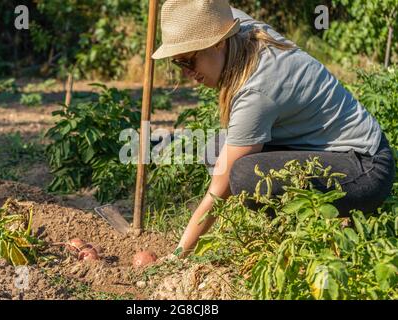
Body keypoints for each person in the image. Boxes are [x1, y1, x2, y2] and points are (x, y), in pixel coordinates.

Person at [151, 0, 396, 258]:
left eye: (190, 60)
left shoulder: (256, 89)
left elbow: (219, 190)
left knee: (243, 176)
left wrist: (178, 254)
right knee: (216, 148)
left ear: (218, 42)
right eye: (180, 63)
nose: (188, 73)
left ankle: (307, 245)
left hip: (365, 168)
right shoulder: (233, 26)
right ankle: (295, 229)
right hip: (323, 147)